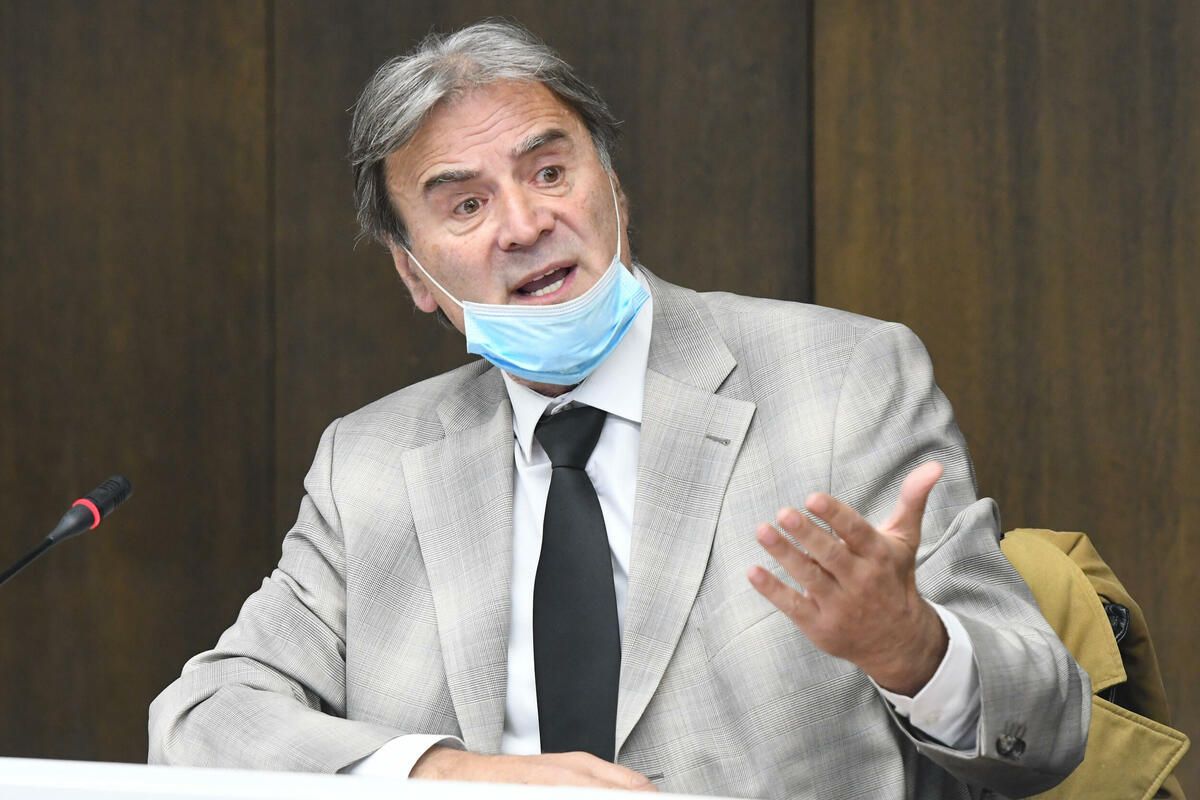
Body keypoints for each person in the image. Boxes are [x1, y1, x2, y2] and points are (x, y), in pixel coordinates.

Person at [148, 20, 1089, 798]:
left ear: (615, 192)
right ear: (415, 276)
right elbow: (200, 720)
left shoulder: (841, 380)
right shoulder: (368, 464)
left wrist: (914, 650)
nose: (525, 225)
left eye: (550, 173)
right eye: (466, 206)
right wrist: (447, 774)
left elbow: (1047, 729)